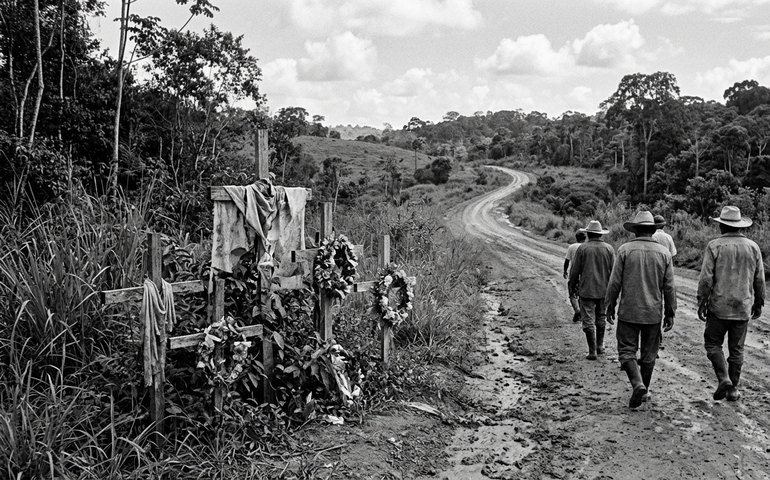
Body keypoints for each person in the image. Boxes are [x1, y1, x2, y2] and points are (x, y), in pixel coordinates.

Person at [605, 211, 676, 409]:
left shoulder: (625, 250)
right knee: (649, 354)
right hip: (653, 313)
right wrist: (670, 311)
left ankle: (637, 385)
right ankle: (643, 388)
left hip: (629, 310)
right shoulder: (664, 253)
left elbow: (615, 281)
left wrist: (610, 304)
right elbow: (669, 286)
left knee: (626, 351)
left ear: (635, 230)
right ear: (652, 230)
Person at [697, 206, 765, 402]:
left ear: (722, 226)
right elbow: (759, 279)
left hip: (719, 306)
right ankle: (733, 389)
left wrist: (702, 301)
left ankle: (723, 378)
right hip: (743, 306)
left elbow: (706, 279)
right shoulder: (753, 247)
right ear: (739, 226)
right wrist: (759, 302)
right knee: (737, 349)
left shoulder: (715, 246)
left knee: (712, 343)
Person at [568, 220, 614, 360]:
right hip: (604, 290)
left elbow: (574, 271)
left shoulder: (583, 248)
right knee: (601, 317)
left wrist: (572, 286)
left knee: (588, 319)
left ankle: (592, 351)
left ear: (588, 233)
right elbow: (614, 272)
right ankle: (600, 346)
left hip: (587, 289)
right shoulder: (609, 249)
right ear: (600, 234)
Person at [564, 231, 587, 323]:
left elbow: (567, 261)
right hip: (585, 274)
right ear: (585, 238)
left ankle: (577, 310)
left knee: (572, 293)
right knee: (582, 294)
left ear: (576, 238)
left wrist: (565, 271)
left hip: (574, 274)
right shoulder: (587, 247)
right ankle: (581, 311)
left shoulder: (572, 247)